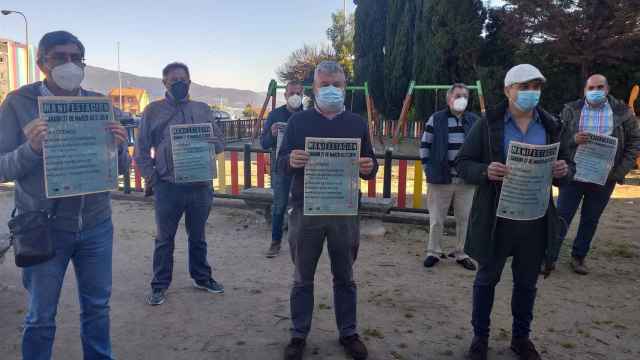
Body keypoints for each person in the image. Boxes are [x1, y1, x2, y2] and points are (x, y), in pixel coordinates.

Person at [0, 31, 130, 360]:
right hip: (44, 227)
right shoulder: (18, 103)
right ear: (42, 63)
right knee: (41, 316)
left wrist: (120, 148)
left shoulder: (99, 103)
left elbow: (118, 168)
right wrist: (31, 149)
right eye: (60, 57)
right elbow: (2, 168)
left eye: (77, 58)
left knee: (98, 309)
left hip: (97, 225)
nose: (69, 64)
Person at [456, 64, 574, 360]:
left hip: (534, 219)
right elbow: (463, 163)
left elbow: (567, 166)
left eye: (536, 87)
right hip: (497, 218)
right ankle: (479, 338)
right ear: (508, 90)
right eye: (524, 87)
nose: (530, 93)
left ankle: (521, 338)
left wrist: (563, 170)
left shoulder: (551, 125)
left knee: (526, 283)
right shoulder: (487, 124)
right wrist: (485, 170)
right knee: (486, 279)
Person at [277, 61, 378, 360]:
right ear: (315, 88)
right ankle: (298, 334)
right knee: (302, 277)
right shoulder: (299, 122)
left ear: (346, 87)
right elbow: (280, 162)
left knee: (345, 277)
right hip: (307, 211)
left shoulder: (357, 123)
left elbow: (370, 163)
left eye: (337, 84)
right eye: (325, 85)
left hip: (344, 212)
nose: (332, 90)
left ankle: (348, 332)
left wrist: (369, 168)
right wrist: (290, 160)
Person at [134, 62, 225, 306]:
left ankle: (202, 277)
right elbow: (141, 150)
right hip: (168, 187)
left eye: (183, 80)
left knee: (198, 236)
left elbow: (220, 143)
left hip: (200, 186)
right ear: (164, 83)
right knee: (164, 239)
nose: (179, 84)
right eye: (173, 81)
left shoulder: (203, 109)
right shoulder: (153, 111)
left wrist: (210, 139)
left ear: (190, 81)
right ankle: (159, 285)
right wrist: (152, 178)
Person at [553, 74, 640, 275]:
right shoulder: (571, 110)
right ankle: (549, 256)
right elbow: (558, 137)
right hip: (573, 174)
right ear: (584, 90)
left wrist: (619, 172)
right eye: (591, 88)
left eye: (600, 87)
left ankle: (578, 257)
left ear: (607, 89)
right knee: (561, 216)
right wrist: (573, 139)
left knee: (590, 219)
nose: (595, 91)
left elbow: (634, 143)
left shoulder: (623, 112)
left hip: (604, 177)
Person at [419, 83, 479, 271]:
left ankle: (462, 253)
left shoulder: (475, 121)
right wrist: (427, 169)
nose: (461, 99)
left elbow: (481, 147)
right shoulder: (436, 119)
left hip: (466, 180)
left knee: (465, 218)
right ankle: (433, 252)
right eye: (457, 95)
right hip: (440, 178)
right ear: (449, 99)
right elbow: (425, 145)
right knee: (437, 218)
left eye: (465, 96)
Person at [260, 81, 304, 258]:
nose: (295, 96)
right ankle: (275, 242)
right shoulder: (275, 115)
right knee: (279, 206)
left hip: (302, 169)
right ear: (285, 95)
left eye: (298, 93)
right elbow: (263, 144)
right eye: (292, 93)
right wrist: (271, 133)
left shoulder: (308, 115)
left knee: (302, 206)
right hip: (281, 169)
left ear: (303, 95)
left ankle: (301, 243)